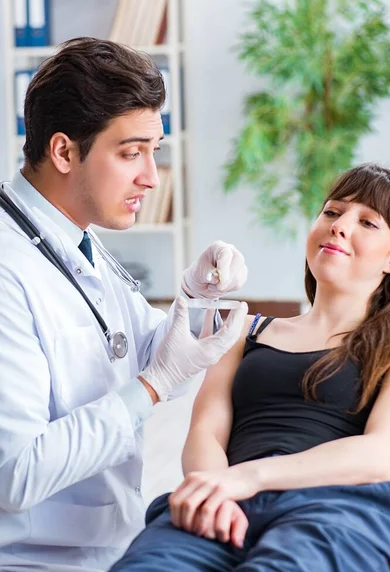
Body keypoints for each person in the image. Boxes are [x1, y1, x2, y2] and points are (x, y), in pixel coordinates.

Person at [110, 163, 390, 572]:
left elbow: (379, 454)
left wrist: (247, 478)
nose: (339, 226)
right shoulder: (246, 329)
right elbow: (205, 431)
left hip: (334, 510)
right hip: (222, 500)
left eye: (368, 222)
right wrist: (219, 491)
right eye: (332, 212)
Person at [0, 37, 249, 572]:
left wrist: (195, 300)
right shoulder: (7, 270)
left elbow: (145, 354)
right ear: (64, 151)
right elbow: (14, 474)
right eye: (130, 152)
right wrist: (152, 385)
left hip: (110, 545)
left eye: (153, 151)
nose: (151, 177)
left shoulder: (74, 240)